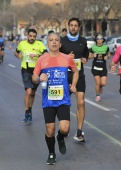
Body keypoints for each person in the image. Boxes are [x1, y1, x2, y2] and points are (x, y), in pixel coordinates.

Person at [32, 33, 79, 165]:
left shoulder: (67, 58)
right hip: (48, 100)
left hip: (63, 98)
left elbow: (76, 71)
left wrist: (74, 85)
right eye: (51, 40)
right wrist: (38, 78)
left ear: (60, 44)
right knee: (49, 130)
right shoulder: (41, 59)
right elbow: (34, 77)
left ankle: (60, 138)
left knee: (65, 129)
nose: (54, 42)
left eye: (56, 40)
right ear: (47, 44)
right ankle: (51, 153)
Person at [60, 18, 89, 142]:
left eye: (75, 25)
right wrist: (66, 57)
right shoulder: (62, 41)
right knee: (64, 103)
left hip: (79, 75)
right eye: (71, 25)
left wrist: (85, 59)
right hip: (65, 76)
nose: (73, 27)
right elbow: (55, 56)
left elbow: (86, 54)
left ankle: (79, 131)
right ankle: (64, 128)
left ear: (79, 27)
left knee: (81, 102)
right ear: (68, 26)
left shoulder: (83, 41)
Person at [14, 28, 47, 123]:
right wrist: (18, 55)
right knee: (28, 91)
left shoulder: (39, 44)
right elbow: (16, 52)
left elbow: (46, 55)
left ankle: (30, 110)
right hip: (25, 70)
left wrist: (36, 56)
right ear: (27, 35)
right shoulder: (22, 44)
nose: (32, 38)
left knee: (32, 92)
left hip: (37, 71)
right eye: (30, 36)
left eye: (34, 36)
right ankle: (26, 112)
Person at [89, 33, 110, 101]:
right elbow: (88, 56)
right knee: (97, 82)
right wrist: (92, 56)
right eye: (97, 38)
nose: (99, 40)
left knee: (103, 83)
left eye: (101, 38)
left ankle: (100, 87)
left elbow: (109, 54)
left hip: (103, 67)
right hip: (95, 67)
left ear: (103, 39)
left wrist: (107, 56)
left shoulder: (106, 47)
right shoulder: (93, 47)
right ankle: (97, 96)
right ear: (96, 40)